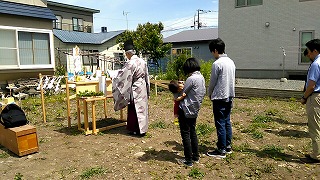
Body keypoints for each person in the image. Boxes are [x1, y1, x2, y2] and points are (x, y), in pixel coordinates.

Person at [112, 40, 150, 137]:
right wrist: (147, 88)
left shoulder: (131, 63)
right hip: (143, 86)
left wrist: (114, 78)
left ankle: (135, 129)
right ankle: (143, 129)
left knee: (134, 108)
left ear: (128, 53)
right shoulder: (142, 61)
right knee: (142, 108)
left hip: (135, 87)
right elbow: (147, 76)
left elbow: (123, 76)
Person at [207, 38, 236, 159]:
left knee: (220, 123)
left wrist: (209, 93)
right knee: (227, 121)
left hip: (219, 97)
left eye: (212, 52)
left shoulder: (217, 63)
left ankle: (221, 150)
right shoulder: (231, 62)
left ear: (215, 50)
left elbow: (212, 82)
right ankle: (228, 146)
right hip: (229, 95)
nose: (212, 54)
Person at [176, 58, 206, 167]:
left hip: (185, 109)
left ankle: (188, 160)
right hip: (195, 109)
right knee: (192, 132)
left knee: (185, 134)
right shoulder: (201, 77)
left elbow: (182, 93)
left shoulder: (191, 78)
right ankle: (196, 156)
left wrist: (178, 86)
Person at [300, 39, 320, 163]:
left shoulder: (316, 64)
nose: (307, 54)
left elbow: (311, 86)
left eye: (308, 51)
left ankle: (316, 155)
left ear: (314, 51)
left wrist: (304, 97)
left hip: (315, 97)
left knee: (315, 127)